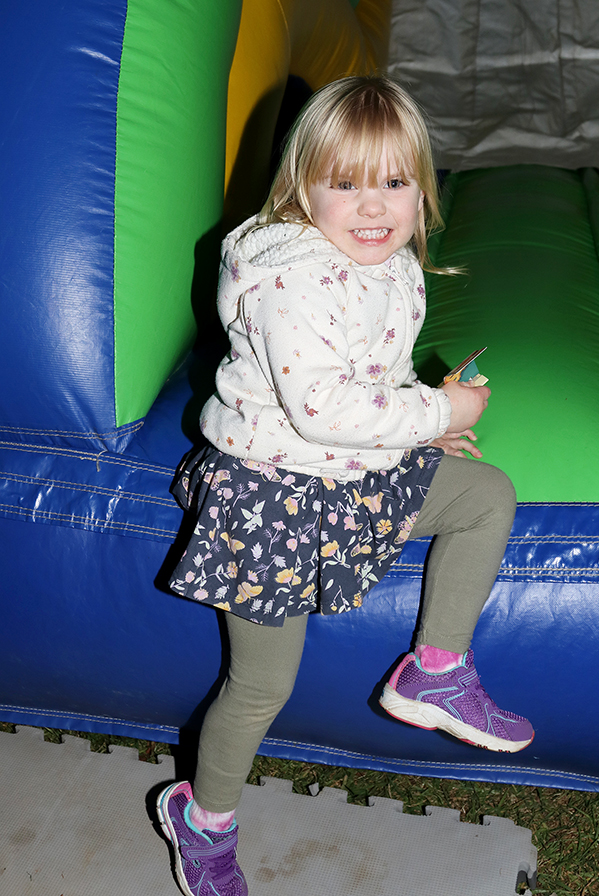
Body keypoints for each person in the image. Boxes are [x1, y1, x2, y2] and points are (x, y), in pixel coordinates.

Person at [157, 75, 533, 896]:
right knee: (262, 684)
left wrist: (418, 420)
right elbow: (321, 406)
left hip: (349, 473)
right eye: (346, 183)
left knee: (484, 495)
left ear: (421, 189)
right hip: (272, 497)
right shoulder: (294, 279)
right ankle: (203, 821)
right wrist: (433, 412)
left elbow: (369, 376)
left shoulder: (388, 262)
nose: (373, 208)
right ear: (301, 191)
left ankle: (435, 667)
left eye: (394, 183)